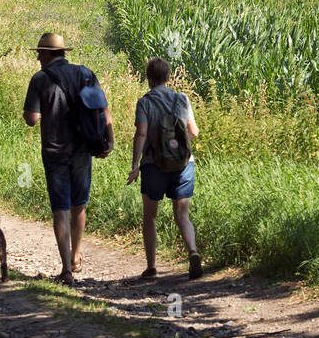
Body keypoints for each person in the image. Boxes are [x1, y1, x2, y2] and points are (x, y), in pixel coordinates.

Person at [22, 32, 112, 287]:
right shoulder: (85, 73)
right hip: (84, 148)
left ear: (49, 54)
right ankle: (76, 256)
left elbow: (32, 119)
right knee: (79, 204)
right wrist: (110, 140)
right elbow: (104, 109)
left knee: (60, 208)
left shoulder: (40, 79)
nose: (38, 56)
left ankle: (66, 270)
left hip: (54, 151)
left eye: (40, 52)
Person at [128, 57, 202, 279]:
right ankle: (193, 252)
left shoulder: (145, 102)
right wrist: (175, 146)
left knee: (150, 216)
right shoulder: (182, 99)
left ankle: (151, 267)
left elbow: (141, 133)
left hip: (154, 166)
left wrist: (135, 165)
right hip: (183, 165)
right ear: (168, 77)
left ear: (148, 79)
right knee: (183, 215)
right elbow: (194, 131)